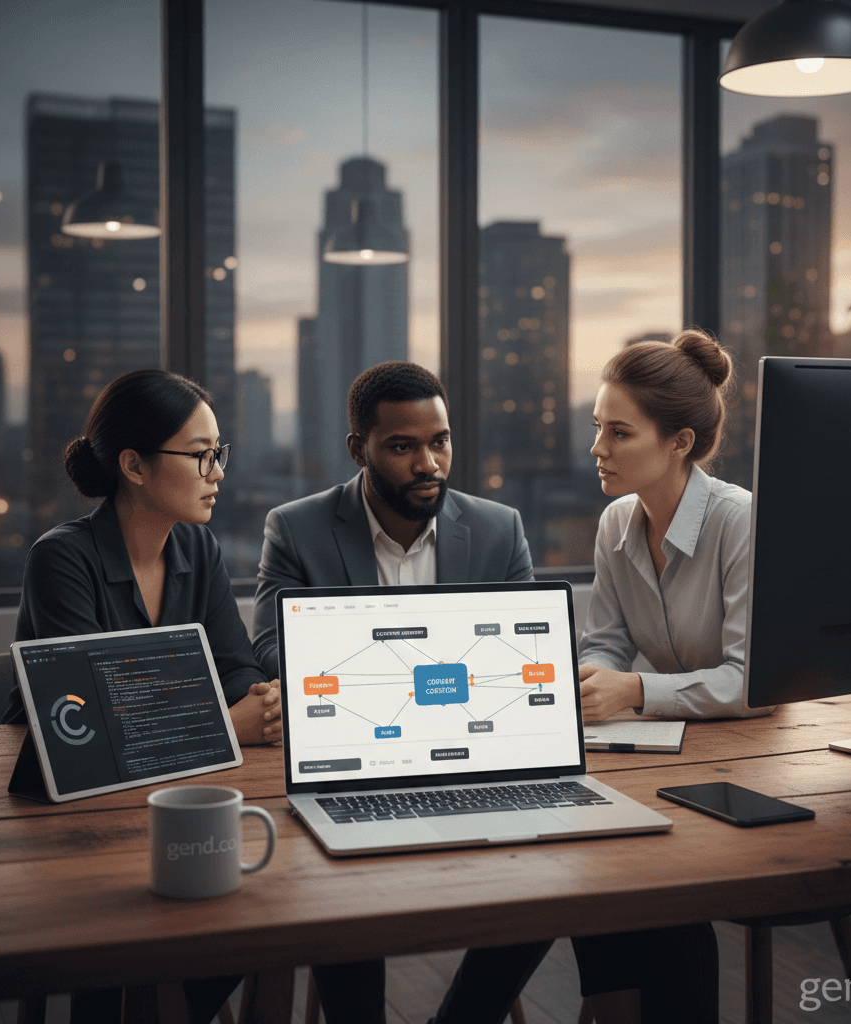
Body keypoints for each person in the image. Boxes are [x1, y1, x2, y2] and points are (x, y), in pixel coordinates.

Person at [252, 360, 549, 1024]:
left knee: (548, 873)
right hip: (354, 761)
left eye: (439, 441)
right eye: (403, 446)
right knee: (335, 880)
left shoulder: (500, 530)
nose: (428, 462)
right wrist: (408, 675)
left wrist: (362, 660)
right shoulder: (297, 527)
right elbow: (269, 647)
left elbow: (531, 659)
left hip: (475, 757)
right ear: (359, 450)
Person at [2, 368, 281, 1024]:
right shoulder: (61, 559)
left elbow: (236, 668)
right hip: (60, 809)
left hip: (175, 785)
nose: (217, 471)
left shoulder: (199, 547)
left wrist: (252, 702)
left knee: (259, 906)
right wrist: (226, 721)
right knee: (122, 930)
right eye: (200, 455)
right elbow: (91, 718)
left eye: (221, 453)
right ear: (133, 464)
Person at [571, 328, 773, 1024]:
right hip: (665, 760)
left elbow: (752, 681)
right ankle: (614, 1011)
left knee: (647, 880)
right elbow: (603, 642)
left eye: (619, 433)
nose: (597, 448)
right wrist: (592, 683)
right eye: (597, 428)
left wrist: (633, 691)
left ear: (680, 442)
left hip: (757, 763)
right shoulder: (615, 523)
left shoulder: (740, 522)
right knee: (593, 855)